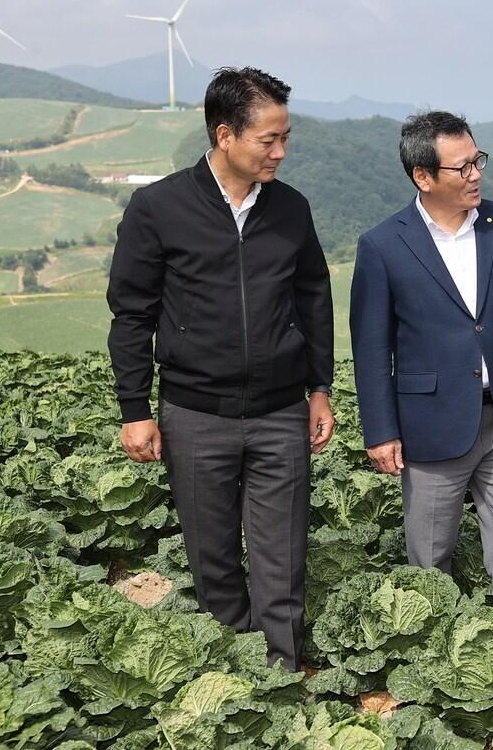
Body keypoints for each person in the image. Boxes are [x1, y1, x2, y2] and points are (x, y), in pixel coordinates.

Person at [107, 67, 334, 670]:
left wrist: (320, 387)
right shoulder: (158, 207)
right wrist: (135, 409)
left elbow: (313, 297)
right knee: (212, 556)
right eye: (269, 140)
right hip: (194, 413)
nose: (281, 152)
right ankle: (234, 672)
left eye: (286, 138)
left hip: (281, 411)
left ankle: (281, 672)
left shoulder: (290, 208)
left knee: (281, 556)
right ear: (225, 133)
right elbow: (132, 313)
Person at [350, 111, 493, 612]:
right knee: (430, 553)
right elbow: (372, 347)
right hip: (430, 423)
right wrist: (380, 430)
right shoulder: (382, 244)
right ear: (423, 176)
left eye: (477, 160)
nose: (476, 174)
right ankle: (434, 656)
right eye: (461, 167)